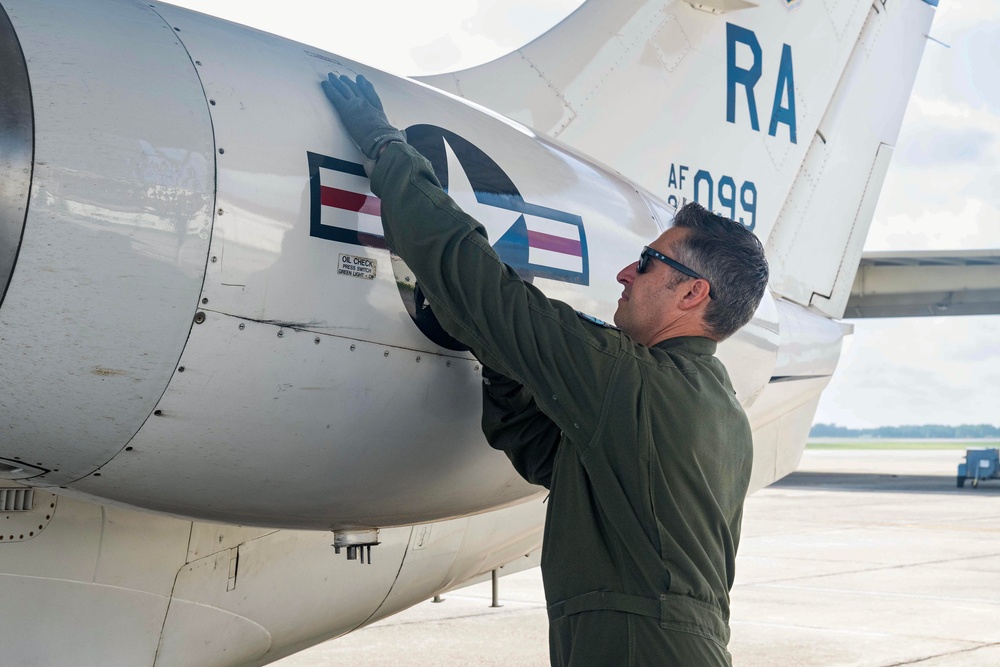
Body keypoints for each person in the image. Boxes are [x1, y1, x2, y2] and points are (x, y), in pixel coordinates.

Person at [323, 73, 769, 666]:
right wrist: (502, 357)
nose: (625, 275)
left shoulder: (631, 382)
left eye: (648, 262)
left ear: (692, 294)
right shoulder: (714, 408)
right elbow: (551, 455)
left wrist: (385, 147)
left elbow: (478, 286)